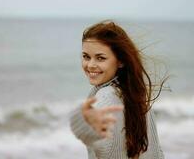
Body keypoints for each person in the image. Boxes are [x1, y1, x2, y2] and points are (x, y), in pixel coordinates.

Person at [70, 20, 166, 159]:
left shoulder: (105, 96)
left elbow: (102, 147)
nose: (90, 65)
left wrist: (84, 125)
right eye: (86, 57)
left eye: (100, 58)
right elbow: (156, 152)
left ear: (120, 61)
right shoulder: (137, 95)